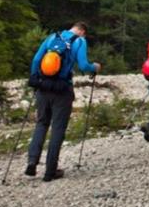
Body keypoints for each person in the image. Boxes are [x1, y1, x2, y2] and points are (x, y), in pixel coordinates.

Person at [25, 22, 101, 181]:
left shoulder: (53, 36)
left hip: (43, 87)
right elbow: (83, 65)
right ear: (82, 31)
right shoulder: (80, 41)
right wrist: (94, 67)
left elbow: (36, 59)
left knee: (41, 123)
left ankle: (32, 161)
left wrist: (35, 79)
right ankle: (50, 171)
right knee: (58, 128)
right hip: (62, 89)